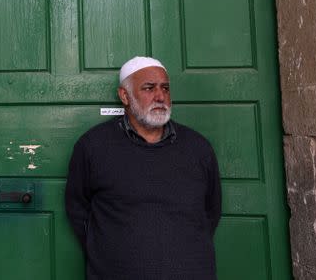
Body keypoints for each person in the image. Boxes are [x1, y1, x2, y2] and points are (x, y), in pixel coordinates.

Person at [65, 56, 221, 279]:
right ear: (124, 96)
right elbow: (78, 208)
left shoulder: (198, 147)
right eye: (149, 88)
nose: (160, 96)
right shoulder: (93, 146)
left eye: (165, 88)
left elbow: (211, 211)